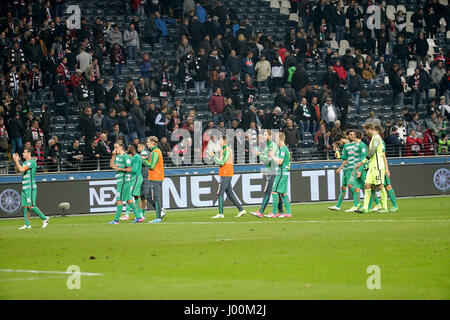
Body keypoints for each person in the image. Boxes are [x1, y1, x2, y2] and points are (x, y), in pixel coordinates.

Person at [209, 134, 246, 218]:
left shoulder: (226, 150)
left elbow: (222, 162)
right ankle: (241, 209)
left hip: (226, 174)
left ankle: (221, 213)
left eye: (220, 140)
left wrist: (214, 157)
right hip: (226, 173)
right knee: (229, 193)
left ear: (224, 141)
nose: (219, 142)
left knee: (220, 193)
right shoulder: (224, 150)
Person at [355, 123, 389, 213]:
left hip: (377, 166)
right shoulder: (373, 139)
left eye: (366, 130)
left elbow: (372, 152)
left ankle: (384, 207)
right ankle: (366, 208)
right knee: (367, 185)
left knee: (380, 185)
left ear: (370, 129)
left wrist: (362, 162)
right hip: (372, 166)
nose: (366, 133)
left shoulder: (377, 138)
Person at [107, 142, 144, 224]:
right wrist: (113, 156)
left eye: (116, 147)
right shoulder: (117, 156)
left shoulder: (126, 157)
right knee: (129, 200)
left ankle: (116, 220)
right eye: (114, 147)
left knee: (119, 200)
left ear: (121, 147)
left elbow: (130, 169)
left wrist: (119, 168)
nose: (115, 149)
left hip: (124, 181)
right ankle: (138, 217)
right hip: (120, 180)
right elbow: (111, 165)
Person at [13, 148, 49, 230]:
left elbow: (22, 169)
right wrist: (16, 161)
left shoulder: (32, 162)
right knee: (25, 206)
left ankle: (44, 218)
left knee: (31, 206)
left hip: (30, 187)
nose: (23, 154)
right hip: (24, 187)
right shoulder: (25, 163)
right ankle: (27, 224)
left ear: (29, 153)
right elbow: (17, 171)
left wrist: (17, 161)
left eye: (24, 152)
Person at [251, 130, 283, 218]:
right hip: (270, 170)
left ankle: (260, 212)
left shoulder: (272, 145)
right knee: (276, 192)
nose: (263, 136)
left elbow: (268, 159)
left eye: (265, 135)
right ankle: (280, 212)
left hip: (273, 171)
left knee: (267, 192)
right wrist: (260, 155)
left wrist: (259, 155)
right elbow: (266, 160)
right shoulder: (266, 147)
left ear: (270, 136)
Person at [265, 132, 292, 218]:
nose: (276, 141)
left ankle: (274, 212)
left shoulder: (283, 149)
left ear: (279, 139)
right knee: (284, 193)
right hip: (284, 173)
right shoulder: (284, 149)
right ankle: (288, 212)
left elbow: (280, 162)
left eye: (276, 139)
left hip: (281, 173)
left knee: (274, 191)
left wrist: (272, 156)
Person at [328, 131, 356, 211]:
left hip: (350, 168)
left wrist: (340, 167)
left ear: (340, 140)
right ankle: (338, 205)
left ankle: (357, 204)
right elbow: (338, 155)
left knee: (351, 186)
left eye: (338, 142)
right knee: (343, 187)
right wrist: (335, 148)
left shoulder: (348, 145)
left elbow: (348, 158)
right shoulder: (344, 145)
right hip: (346, 169)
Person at [142, 136, 166, 223]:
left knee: (156, 197)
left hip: (157, 177)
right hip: (152, 177)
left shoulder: (155, 152)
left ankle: (158, 217)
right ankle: (161, 209)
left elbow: (152, 166)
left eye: (148, 142)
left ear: (153, 142)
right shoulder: (153, 152)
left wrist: (144, 161)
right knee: (147, 195)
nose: (147, 143)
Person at [120, 144, 145, 221]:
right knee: (137, 196)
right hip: (135, 178)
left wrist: (125, 168)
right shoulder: (134, 157)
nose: (128, 149)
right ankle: (140, 215)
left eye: (129, 147)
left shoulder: (136, 157)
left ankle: (127, 214)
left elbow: (134, 170)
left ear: (132, 148)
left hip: (136, 177)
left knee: (129, 195)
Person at [345, 130, 368, 212]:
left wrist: (360, 170)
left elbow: (363, 158)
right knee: (355, 186)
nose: (351, 136)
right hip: (356, 168)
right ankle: (357, 205)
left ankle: (376, 204)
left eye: (352, 135)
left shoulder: (362, 145)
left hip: (362, 169)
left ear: (355, 136)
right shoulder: (355, 145)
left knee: (367, 187)